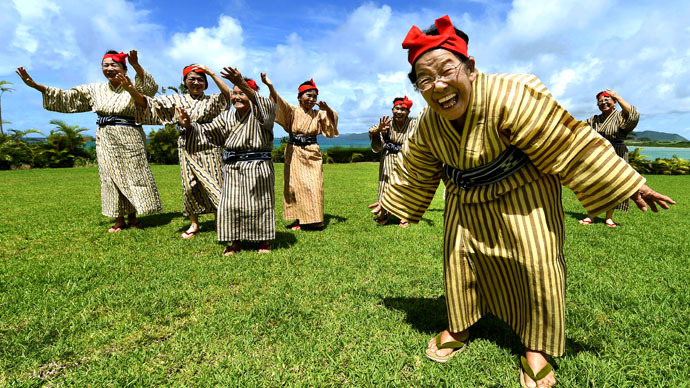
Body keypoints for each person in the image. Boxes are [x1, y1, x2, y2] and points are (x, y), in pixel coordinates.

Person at [380, 15, 674, 388]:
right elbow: (416, 167)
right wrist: (394, 204)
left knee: (537, 265)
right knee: (460, 262)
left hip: (524, 192)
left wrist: (625, 182)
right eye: (425, 78)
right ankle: (461, 324)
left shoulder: (511, 95)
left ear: (470, 68)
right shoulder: (427, 123)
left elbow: (566, 141)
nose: (438, 85)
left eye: (446, 70)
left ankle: (536, 347)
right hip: (464, 200)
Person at [16, 50, 162, 233]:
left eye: (113, 65)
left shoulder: (133, 85)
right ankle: (119, 220)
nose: (109, 68)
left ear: (124, 68)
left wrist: (136, 66)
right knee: (110, 177)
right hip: (106, 136)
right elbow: (68, 97)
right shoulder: (95, 89)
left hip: (130, 134)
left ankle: (133, 217)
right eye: (105, 65)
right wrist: (37, 86)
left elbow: (150, 89)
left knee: (134, 173)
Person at [120, 64, 230, 238]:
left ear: (206, 83)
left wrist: (212, 73)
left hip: (210, 145)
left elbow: (229, 96)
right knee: (190, 187)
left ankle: (219, 221)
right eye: (191, 79)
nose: (196, 82)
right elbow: (147, 104)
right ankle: (194, 224)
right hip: (187, 146)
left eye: (200, 79)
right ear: (185, 81)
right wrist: (130, 89)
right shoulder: (175, 100)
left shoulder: (213, 99)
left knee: (217, 185)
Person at [177, 66, 276, 255]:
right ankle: (235, 241)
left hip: (258, 166)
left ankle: (263, 240)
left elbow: (265, 104)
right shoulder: (227, 115)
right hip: (232, 167)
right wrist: (189, 125)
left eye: (242, 93)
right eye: (234, 93)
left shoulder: (263, 111)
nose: (237, 97)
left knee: (260, 202)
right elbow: (208, 131)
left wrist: (240, 82)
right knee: (231, 204)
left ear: (252, 95)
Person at [260, 75, 338, 230]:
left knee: (314, 185)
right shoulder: (293, 111)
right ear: (299, 97)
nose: (312, 99)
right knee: (293, 186)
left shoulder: (319, 113)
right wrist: (270, 86)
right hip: (293, 151)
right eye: (308, 95)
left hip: (311, 152)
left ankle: (316, 220)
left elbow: (331, 126)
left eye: (315, 96)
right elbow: (278, 104)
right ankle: (298, 219)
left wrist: (327, 109)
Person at [579, 90, 639, 227]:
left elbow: (633, 116)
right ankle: (591, 215)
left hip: (617, 153)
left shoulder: (620, 117)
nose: (604, 102)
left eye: (608, 99)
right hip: (599, 153)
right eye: (601, 101)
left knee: (614, 184)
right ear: (597, 104)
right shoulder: (593, 120)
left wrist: (617, 95)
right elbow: (577, 127)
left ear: (614, 102)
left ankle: (609, 217)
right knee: (594, 183)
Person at [368, 96, 417, 227]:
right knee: (386, 183)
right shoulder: (387, 123)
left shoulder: (413, 124)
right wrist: (378, 130)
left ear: (408, 112)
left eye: (403, 109)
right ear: (392, 109)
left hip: (406, 158)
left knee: (404, 184)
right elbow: (372, 130)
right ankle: (384, 212)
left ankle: (403, 214)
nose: (399, 112)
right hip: (388, 156)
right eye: (397, 108)